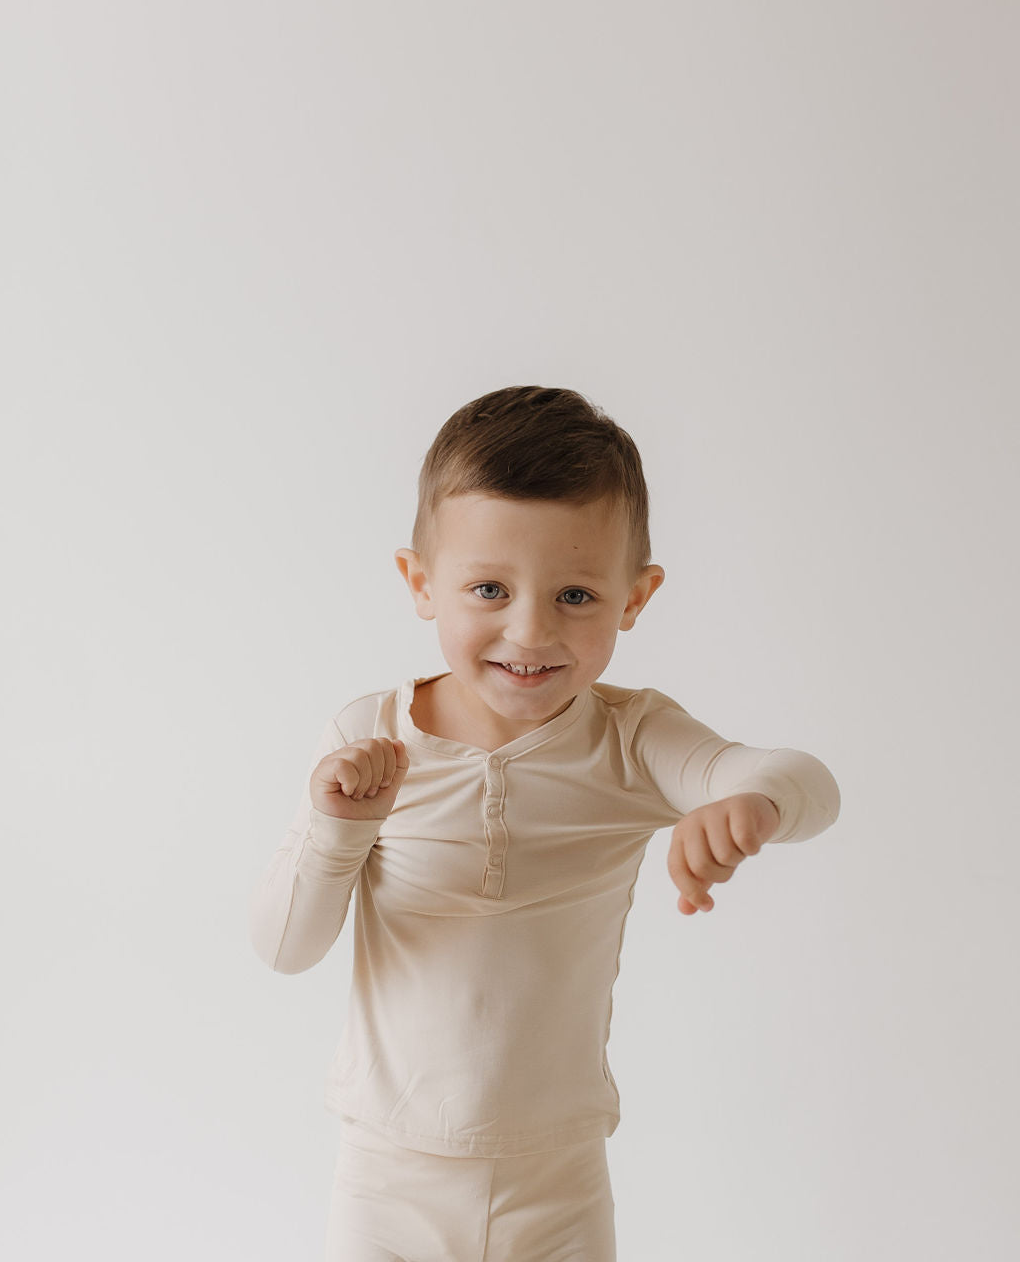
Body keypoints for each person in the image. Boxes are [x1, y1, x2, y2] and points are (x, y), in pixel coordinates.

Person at [249, 384, 841, 1262]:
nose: (528, 633)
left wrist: (750, 803)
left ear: (636, 597)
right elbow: (284, 947)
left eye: (575, 596)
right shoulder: (368, 737)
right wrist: (337, 827)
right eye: (488, 587)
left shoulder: (633, 739)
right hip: (386, 1179)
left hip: (557, 1182)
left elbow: (806, 782)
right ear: (420, 582)